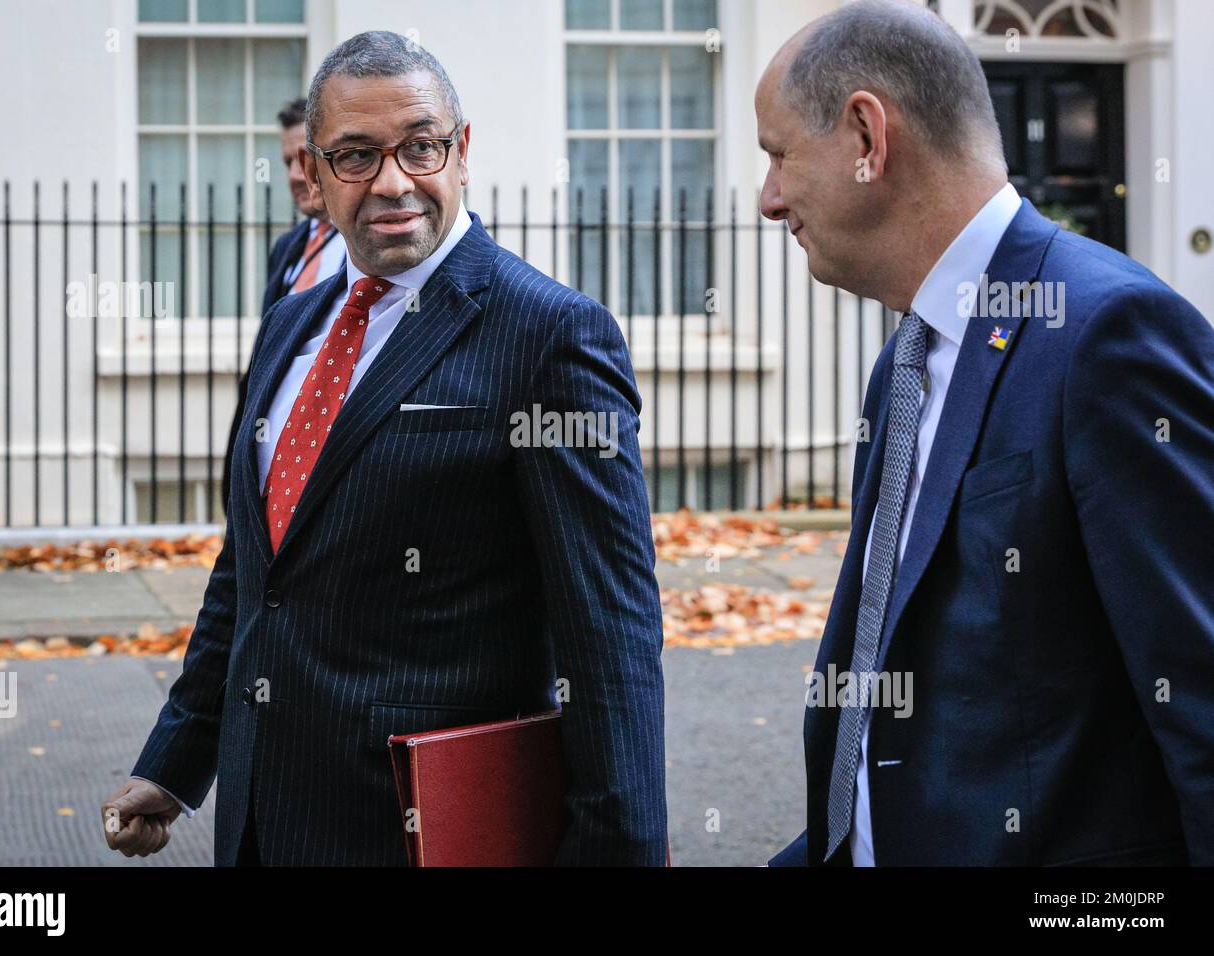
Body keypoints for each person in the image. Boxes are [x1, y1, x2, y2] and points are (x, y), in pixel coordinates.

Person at [102, 30, 667, 866]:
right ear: (317, 172)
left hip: (424, 831)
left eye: (421, 146)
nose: (394, 181)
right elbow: (257, 573)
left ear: (462, 150)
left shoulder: (551, 335)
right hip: (262, 823)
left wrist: (618, 850)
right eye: (357, 155)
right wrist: (177, 764)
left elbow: (611, 637)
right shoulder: (292, 326)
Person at [759, 0, 1214, 866]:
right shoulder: (902, 362)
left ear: (867, 137)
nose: (769, 198)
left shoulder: (1109, 334)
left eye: (779, 154)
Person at [221, 98, 346, 517]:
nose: (295, 176)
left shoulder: (366, 249)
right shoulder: (289, 247)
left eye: (303, 160)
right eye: (287, 161)